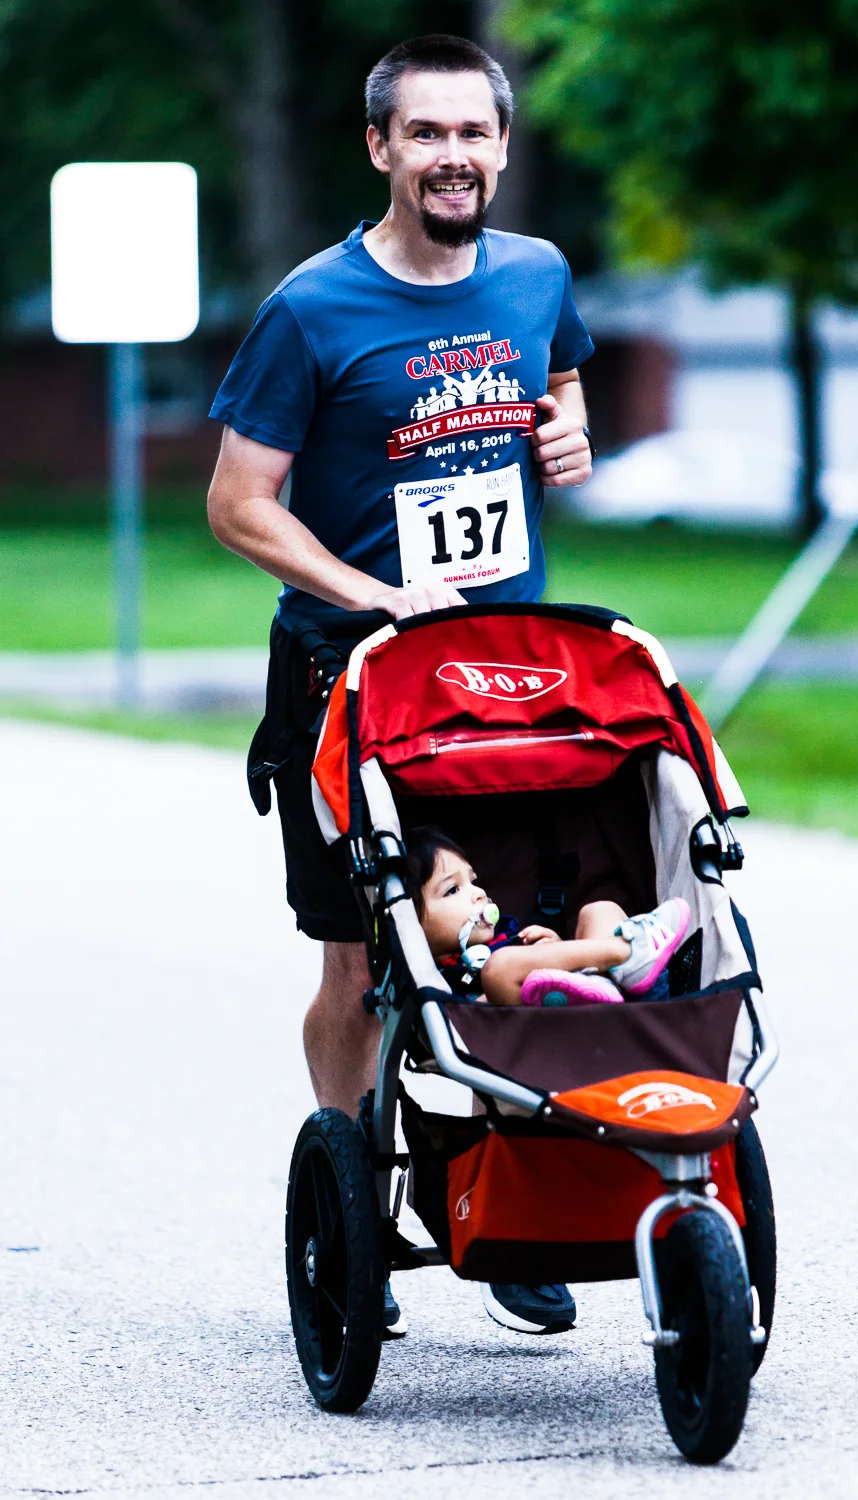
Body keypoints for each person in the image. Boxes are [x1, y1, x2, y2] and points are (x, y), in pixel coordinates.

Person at [206, 33, 595, 1339]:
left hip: (509, 678)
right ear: (379, 148)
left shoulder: (536, 273)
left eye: (472, 134)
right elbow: (235, 503)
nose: (453, 156)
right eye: (424, 135)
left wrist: (569, 419)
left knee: (513, 936)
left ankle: (512, 1194)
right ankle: (351, 1191)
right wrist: (370, 595)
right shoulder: (313, 308)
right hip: (350, 674)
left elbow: (559, 369)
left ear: (501, 144)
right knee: (366, 953)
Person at [408, 827, 691, 1007]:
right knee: (498, 968)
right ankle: (630, 949)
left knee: (598, 909)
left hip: (626, 998)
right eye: (453, 890)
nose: (478, 894)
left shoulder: (513, 937)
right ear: (411, 923)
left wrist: (556, 948)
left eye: (473, 880)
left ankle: (619, 969)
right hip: (549, 1036)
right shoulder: (433, 983)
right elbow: (467, 1027)